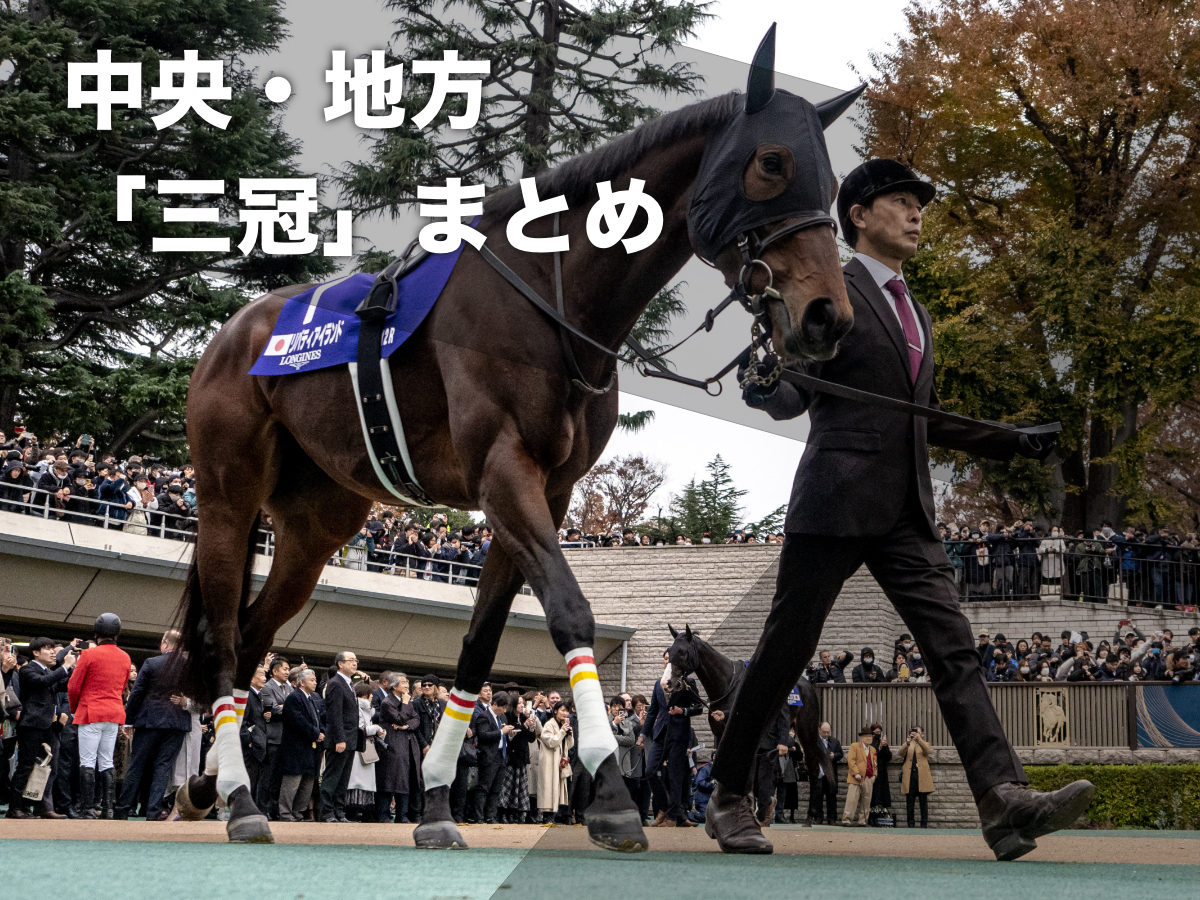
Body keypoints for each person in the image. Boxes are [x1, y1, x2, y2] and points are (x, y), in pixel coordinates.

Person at [711, 158, 1092, 859]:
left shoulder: (914, 309)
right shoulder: (833, 288)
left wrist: (1008, 442)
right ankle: (729, 795)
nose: (916, 213)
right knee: (781, 655)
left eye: (920, 204)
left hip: (907, 512)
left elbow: (922, 416)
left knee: (956, 651)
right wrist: (766, 386)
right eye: (900, 201)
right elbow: (797, 387)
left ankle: (1002, 803)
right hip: (834, 499)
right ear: (858, 215)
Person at [114, 631, 191, 821]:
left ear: (165, 643)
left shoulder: (151, 663)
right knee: (163, 766)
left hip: (150, 720)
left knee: (137, 764)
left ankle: (122, 809)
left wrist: (129, 720)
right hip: (177, 721)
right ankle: (153, 810)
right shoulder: (190, 668)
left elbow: (137, 694)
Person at [67, 614, 132, 819]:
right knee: (107, 761)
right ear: (117, 635)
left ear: (96, 634)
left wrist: (74, 708)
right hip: (113, 712)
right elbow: (122, 687)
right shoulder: (125, 657)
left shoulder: (88, 655)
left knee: (87, 761)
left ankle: (87, 809)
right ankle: (108, 809)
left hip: (90, 711)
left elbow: (73, 686)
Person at [6, 638, 77, 819]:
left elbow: (63, 684)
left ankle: (42, 807)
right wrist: (64, 667)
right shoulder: (28, 669)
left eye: (54, 649)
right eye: (48, 649)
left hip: (49, 725)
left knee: (50, 767)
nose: (53, 652)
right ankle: (15, 807)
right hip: (32, 724)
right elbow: (43, 682)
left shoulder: (48, 671)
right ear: (36, 652)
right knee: (26, 766)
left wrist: (75, 669)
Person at [640, 655, 701, 827]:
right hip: (660, 734)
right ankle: (664, 808)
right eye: (666, 658)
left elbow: (699, 708)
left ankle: (672, 817)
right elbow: (653, 711)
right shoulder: (658, 684)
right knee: (650, 771)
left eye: (671, 659)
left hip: (679, 735)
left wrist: (683, 711)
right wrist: (642, 735)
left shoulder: (688, 682)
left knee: (675, 777)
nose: (668, 661)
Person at [376, 673, 422, 823]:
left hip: (408, 743)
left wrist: (406, 726)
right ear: (394, 686)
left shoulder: (406, 700)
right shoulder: (387, 702)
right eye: (403, 683)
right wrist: (406, 704)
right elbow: (399, 718)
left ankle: (403, 815)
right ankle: (384, 815)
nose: (407, 686)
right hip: (393, 744)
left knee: (406, 780)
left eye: (407, 683)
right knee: (389, 780)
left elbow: (416, 719)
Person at [320, 651, 359, 823]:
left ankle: (339, 811)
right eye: (350, 660)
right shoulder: (335, 683)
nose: (354, 663)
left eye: (356, 660)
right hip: (340, 739)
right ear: (340, 664)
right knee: (332, 776)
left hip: (350, 738)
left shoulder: (350, 684)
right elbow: (334, 714)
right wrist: (339, 738)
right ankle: (327, 812)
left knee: (343, 778)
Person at [257, 656, 291, 819]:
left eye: (288, 669)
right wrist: (287, 708)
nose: (287, 672)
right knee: (267, 778)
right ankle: (263, 809)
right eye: (284, 669)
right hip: (272, 738)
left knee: (279, 778)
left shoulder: (289, 687)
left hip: (285, 738)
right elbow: (273, 709)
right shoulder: (268, 687)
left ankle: (274, 809)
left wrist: (285, 707)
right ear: (274, 671)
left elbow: (292, 707)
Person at [345, 682, 383, 819]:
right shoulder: (357, 708)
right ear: (364, 695)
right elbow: (359, 729)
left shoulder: (367, 710)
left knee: (364, 782)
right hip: (359, 750)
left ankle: (364, 811)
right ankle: (353, 810)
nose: (372, 697)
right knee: (357, 781)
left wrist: (378, 732)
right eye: (370, 694)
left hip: (367, 748)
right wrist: (376, 728)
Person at [536, 701, 573, 824]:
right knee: (548, 787)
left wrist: (569, 735)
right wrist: (562, 731)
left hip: (559, 761)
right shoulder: (549, 724)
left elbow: (570, 745)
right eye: (562, 710)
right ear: (555, 711)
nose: (565, 713)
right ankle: (547, 816)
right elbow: (551, 742)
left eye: (567, 711)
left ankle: (554, 815)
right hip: (549, 761)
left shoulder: (563, 724)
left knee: (556, 787)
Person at [240, 665, 269, 804]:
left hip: (258, 746)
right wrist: (249, 741)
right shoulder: (247, 695)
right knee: (248, 780)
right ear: (251, 679)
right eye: (261, 675)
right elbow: (242, 721)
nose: (264, 678)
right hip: (251, 747)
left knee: (256, 781)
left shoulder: (259, 695)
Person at [841, 726, 878, 827]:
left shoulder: (873, 749)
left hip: (868, 777)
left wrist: (874, 775)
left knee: (866, 800)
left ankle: (863, 820)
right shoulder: (854, 746)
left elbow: (874, 763)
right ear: (861, 737)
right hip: (855, 778)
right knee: (852, 798)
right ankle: (847, 820)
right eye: (866, 736)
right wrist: (856, 773)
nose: (869, 738)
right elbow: (851, 761)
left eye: (870, 736)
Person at [808, 722, 843, 826]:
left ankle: (831, 818)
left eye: (828, 732)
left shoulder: (835, 742)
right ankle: (818, 817)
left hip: (830, 773)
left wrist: (834, 755)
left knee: (831, 797)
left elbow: (840, 754)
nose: (826, 734)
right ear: (819, 730)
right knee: (817, 796)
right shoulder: (813, 741)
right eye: (824, 732)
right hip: (818, 773)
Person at [901, 725, 934, 828]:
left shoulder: (924, 743)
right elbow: (900, 753)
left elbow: (927, 750)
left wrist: (919, 740)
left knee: (923, 801)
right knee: (910, 802)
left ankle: (924, 825)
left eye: (917, 732)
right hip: (910, 776)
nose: (915, 734)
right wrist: (907, 742)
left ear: (922, 734)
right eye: (913, 732)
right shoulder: (908, 743)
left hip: (921, 776)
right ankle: (910, 824)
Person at [867, 723, 893, 826]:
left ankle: (880, 818)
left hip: (882, 772)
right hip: (872, 772)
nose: (878, 734)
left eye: (879, 732)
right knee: (872, 796)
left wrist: (885, 747)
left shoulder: (882, 742)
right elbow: (872, 756)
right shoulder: (870, 743)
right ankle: (871, 818)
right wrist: (879, 748)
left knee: (881, 795)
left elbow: (888, 757)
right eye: (875, 732)